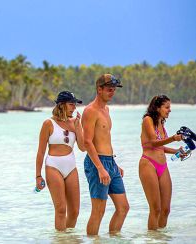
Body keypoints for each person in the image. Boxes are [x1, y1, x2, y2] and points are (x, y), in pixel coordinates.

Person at [82, 74, 130, 235]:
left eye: (114, 89)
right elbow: (87, 142)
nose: (112, 92)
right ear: (99, 89)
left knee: (123, 208)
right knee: (98, 211)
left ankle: (113, 239)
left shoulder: (106, 110)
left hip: (110, 162)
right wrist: (101, 168)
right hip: (97, 163)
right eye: (109, 89)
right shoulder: (90, 111)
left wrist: (113, 164)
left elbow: (105, 139)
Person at [35, 91, 85, 231]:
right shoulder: (48, 123)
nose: (74, 108)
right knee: (61, 209)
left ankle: (67, 239)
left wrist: (78, 127)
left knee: (74, 211)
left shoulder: (75, 123)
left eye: (75, 105)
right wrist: (38, 175)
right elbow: (40, 152)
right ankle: (60, 240)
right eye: (71, 104)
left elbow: (82, 148)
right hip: (53, 166)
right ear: (61, 105)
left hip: (71, 166)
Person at [139, 95, 185, 230]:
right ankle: (152, 239)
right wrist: (173, 138)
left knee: (165, 210)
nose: (169, 110)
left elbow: (161, 147)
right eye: (167, 107)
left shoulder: (161, 123)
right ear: (157, 108)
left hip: (162, 166)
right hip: (148, 164)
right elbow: (153, 143)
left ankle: (161, 239)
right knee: (155, 209)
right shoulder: (147, 120)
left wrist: (177, 151)